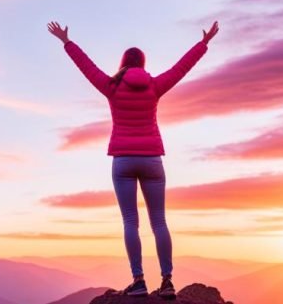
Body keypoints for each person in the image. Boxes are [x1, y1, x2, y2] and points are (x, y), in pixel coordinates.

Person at [47, 20, 218, 300]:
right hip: (152, 160)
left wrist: (66, 41)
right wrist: (204, 43)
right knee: (159, 222)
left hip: (123, 160)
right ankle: (167, 282)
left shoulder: (112, 87)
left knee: (130, 221)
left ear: (123, 63)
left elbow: (86, 67)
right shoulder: (154, 86)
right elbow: (181, 68)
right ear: (143, 64)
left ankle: (138, 280)